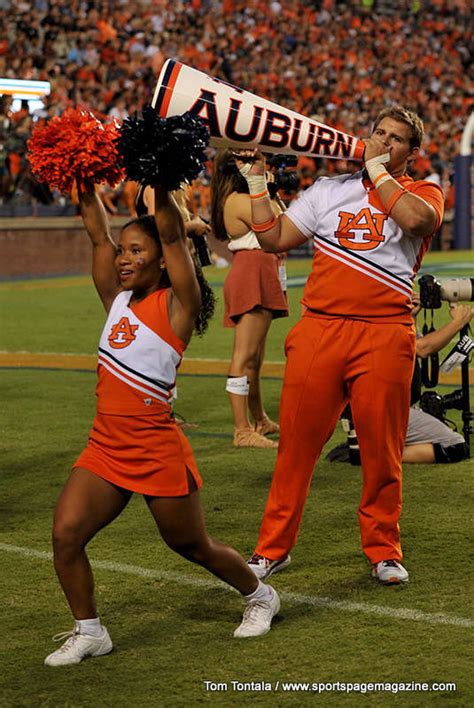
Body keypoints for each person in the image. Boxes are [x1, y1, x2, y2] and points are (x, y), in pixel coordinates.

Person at [44, 182, 280, 667]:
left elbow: (174, 238)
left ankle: (260, 596)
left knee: (191, 544)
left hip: (154, 446)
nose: (123, 259)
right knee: (66, 535)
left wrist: (165, 180)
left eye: (136, 251)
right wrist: (82, 178)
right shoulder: (116, 300)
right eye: (123, 250)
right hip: (105, 445)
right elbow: (95, 234)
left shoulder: (177, 307)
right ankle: (90, 631)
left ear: (160, 259)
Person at [233, 106, 445, 585]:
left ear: (412, 153)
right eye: (379, 134)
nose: (385, 142)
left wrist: (375, 168)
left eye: (396, 140)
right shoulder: (330, 189)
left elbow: (417, 222)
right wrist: (257, 181)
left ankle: (383, 548)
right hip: (320, 330)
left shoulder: (423, 190)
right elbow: (274, 238)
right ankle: (272, 547)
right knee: (296, 448)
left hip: (385, 333)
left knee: (381, 450)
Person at [327, 297, 472, 465]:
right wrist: (458, 323)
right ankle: (371, 453)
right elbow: (422, 348)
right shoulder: (382, 317)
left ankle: (366, 442)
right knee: (455, 446)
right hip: (383, 409)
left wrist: (410, 316)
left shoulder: (371, 311)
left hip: (370, 405)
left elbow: (407, 350)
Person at [210, 149, 289, 449]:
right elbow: (278, 223)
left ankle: (259, 420)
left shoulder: (244, 199)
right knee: (243, 356)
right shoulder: (239, 201)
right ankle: (241, 429)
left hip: (260, 270)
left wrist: (267, 189)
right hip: (252, 271)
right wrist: (265, 188)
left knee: (255, 359)